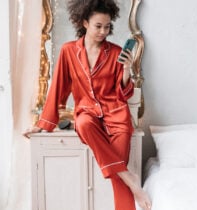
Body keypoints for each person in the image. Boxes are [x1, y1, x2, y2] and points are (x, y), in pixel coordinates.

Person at [23, 0, 151, 209]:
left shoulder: (117, 52)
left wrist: (127, 70)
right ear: (84, 23)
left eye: (107, 26)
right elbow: (58, 89)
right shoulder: (68, 51)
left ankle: (126, 187)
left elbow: (124, 94)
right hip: (88, 114)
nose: (103, 31)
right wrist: (43, 124)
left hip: (116, 116)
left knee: (116, 174)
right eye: (98, 26)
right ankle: (131, 179)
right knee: (82, 124)